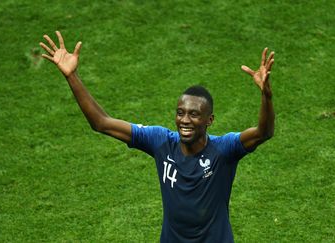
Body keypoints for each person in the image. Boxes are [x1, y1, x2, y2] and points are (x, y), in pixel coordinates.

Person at [40, 31, 275, 243]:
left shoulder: (223, 150)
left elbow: (263, 133)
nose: (184, 120)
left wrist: (266, 96)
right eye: (180, 113)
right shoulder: (161, 142)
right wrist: (72, 76)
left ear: (209, 120)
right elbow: (101, 123)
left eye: (194, 115)